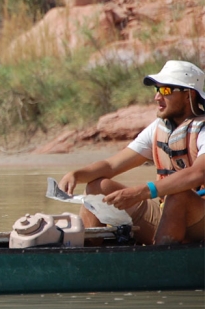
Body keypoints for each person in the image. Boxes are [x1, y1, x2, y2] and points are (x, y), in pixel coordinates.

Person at [59, 60, 205, 244]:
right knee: (97, 188)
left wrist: (142, 192)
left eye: (166, 90)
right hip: (164, 211)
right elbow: (112, 165)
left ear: (188, 95)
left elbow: (197, 174)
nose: (157, 97)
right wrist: (77, 175)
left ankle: (160, 261)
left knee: (178, 194)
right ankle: (89, 257)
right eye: (157, 90)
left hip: (199, 218)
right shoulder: (159, 128)